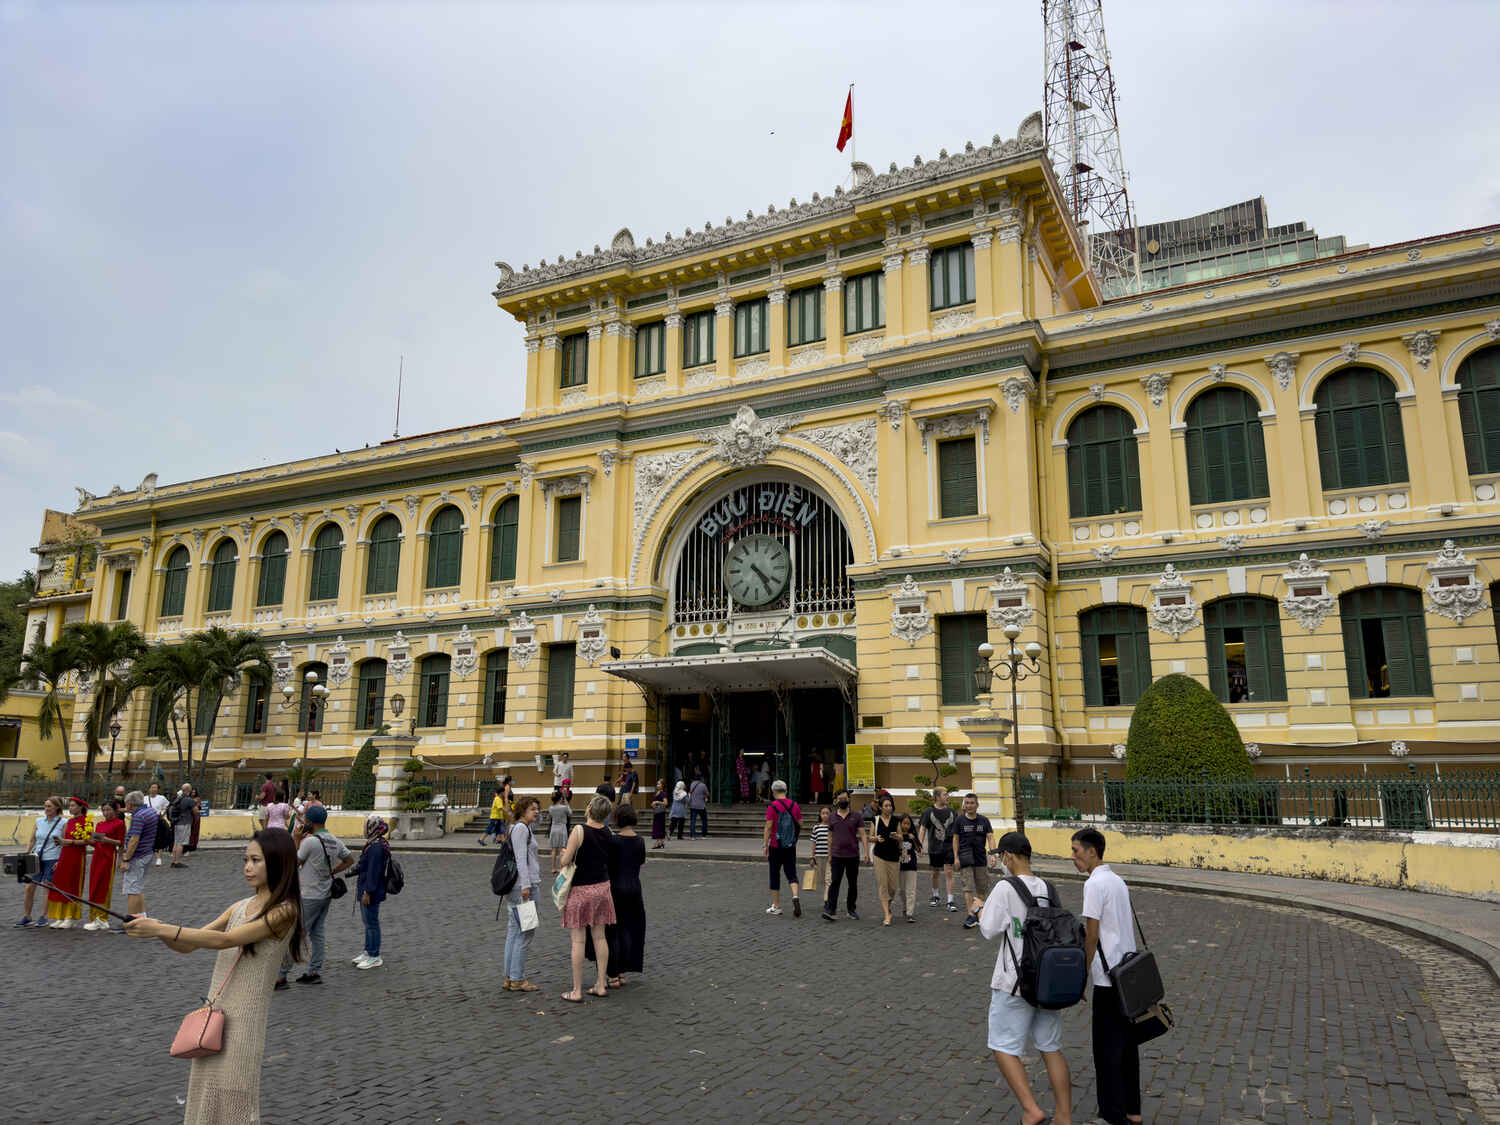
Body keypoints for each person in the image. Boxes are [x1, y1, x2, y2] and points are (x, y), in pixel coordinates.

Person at [125, 828, 303, 1125]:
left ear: (277, 862)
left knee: (234, 1098)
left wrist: (159, 929)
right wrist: (154, 927)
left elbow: (226, 940)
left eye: (256, 860)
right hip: (215, 1016)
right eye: (245, 859)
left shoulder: (285, 912)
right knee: (205, 1092)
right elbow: (187, 945)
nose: (247, 867)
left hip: (244, 1021)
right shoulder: (239, 906)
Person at [981, 831, 1074, 1125]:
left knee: (1003, 1046)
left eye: (1001, 856)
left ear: (1007, 856)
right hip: (1048, 981)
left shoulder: (1005, 888)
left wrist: (978, 907)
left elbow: (988, 929)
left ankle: (1031, 1109)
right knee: (1051, 1047)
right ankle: (1064, 1116)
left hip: (1015, 982)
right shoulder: (1049, 888)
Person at [1073, 827, 1142, 1125]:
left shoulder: (1094, 885)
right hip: (1128, 973)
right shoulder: (1118, 880)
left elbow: (1091, 935)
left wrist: (1082, 976)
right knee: (1127, 1047)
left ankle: (1112, 1116)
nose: (1073, 856)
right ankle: (1132, 1110)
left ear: (1091, 851)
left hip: (1107, 978)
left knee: (1106, 1051)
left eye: (1076, 850)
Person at [276, 804, 352, 988]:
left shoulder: (310, 842)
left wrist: (295, 838)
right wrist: (334, 870)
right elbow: (349, 859)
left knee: (297, 934)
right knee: (317, 933)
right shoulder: (334, 840)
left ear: (309, 821)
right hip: (325, 894)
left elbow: (294, 862)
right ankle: (314, 971)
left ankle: (281, 975)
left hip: (309, 894)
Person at [556, 794, 616, 1002]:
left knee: (578, 940)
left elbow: (565, 860)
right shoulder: (609, 832)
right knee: (600, 937)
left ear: (589, 809)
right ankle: (600, 983)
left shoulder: (579, 830)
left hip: (581, 890)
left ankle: (577, 990)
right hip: (602, 888)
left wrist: (563, 854)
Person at [586, 802, 646, 988]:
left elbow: (607, 863)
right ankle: (622, 971)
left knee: (611, 932)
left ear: (617, 819)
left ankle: (612, 973)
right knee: (630, 930)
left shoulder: (613, 842)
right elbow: (640, 861)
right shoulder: (640, 841)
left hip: (614, 889)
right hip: (634, 889)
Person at [504, 796, 542, 992]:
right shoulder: (520, 829)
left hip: (518, 888)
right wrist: (526, 887)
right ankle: (517, 978)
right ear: (522, 810)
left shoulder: (521, 827)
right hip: (524, 888)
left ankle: (510, 976)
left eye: (537, 808)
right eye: (532, 809)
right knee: (525, 933)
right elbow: (521, 859)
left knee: (513, 931)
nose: (536, 812)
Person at [16, 795, 65, 927]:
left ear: (57, 807)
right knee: (29, 887)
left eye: (49, 806)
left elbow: (64, 844)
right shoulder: (39, 821)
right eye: (45, 806)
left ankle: (44, 916)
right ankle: (27, 916)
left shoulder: (63, 823)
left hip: (53, 858)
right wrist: (27, 853)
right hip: (37, 857)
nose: (46, 808)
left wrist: (60, 860)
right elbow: (33, 839)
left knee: (48, 887)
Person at [821, 788, 868, 922]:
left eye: (845, 799)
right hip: (837, 855)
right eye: (840, 799)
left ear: (849, 799)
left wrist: (866, 852)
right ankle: (831, 910)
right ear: (836, 801)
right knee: (835, 882)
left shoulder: (856, 815)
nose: (843, 801)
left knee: (852, 884)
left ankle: (851, 909)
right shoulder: (832, 817)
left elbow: (863, 834)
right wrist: (829, 854)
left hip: (852, 855)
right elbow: (830, 837)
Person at [45, 797, 91, 929]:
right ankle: (60, 916)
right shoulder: (69, 821)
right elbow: (63, 840)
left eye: (73, 806)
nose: (70, 808)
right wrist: (59, 859)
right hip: (65, 855)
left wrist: (69, 842)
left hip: (77, 857)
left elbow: (88, 842)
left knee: (72, 885)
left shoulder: (87, 822)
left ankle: (70, 917)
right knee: (61, 885)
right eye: (69, 806)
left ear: (81, 807)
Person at [352, 815, 391, 970]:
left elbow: (373, 872)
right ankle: (368, 951)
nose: (364, 829)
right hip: (368, 888)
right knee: (368, 923)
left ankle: (374, 955)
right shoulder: (375, 843)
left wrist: (368, 892)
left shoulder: (375, 847)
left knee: (372, 923)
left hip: (371, 891)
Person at [761, 779, 802, 917]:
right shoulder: (794, 805)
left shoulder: (772, 807)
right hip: (790, 845)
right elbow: (800, 823)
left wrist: (765, 844)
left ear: (773, 792)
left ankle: (776, 905)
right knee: (791, 873)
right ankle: (795, 896)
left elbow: (768, 827)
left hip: (775, 846)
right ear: (786, 790)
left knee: (774, 874)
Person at [85, 799, 127, 931]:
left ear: (115, 810)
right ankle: (94, 917)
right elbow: (96, 843)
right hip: (97, 856)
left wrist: (106, 840)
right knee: (94, 885)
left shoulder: (119, 824)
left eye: (109, 809)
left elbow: (120, 842)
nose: (106, 812)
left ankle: (102, 918)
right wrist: (89, 839)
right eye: (104, 810)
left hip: (108, 857)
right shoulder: (100, 824)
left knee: (104, 887)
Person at [955, 792, 995, 929]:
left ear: (977, 805)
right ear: (964, 805)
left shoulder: (984, 820)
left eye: (972, 803)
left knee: (982, 887)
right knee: (968, 887)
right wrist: (955, 857)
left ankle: (980, 912)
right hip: (965, 858)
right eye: (967, 803)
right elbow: (955, 839)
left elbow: (990, 837)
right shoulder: (959, 820)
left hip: (980, 858)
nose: (969, 805)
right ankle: (971, 914)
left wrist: (993, 854)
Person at [919, 786, 959, 912]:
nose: (947, 796)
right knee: (935, 873)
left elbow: (957, 832)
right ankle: (935, 896)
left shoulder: (952, 812)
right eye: (944, 794)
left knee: (949, 872)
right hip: (934, 848)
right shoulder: (928, 812)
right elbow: (922, 829)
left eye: (947, 794)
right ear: (937, 797)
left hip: (948, 847)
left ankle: (950, 900)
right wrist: (919, 845)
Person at [119, 790, 158, 918]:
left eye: (127, 804)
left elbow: (134, 840)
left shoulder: (138, 817)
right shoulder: (150, 811)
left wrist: (126, 859)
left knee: (132, 889)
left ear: (130, 803)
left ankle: (131, 920)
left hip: (137, 856)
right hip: (147, 852)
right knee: (138, 888)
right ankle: (142, 916)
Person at [870, 794, 902, 926]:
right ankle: (887, 914)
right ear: (881, 808)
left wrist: (897, 837)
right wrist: (876, 839)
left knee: (893, 887)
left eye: (890, 806)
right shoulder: (875, 820)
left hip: (894, 857)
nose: (889, 808)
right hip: (879, 856)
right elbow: (870, 837)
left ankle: (888, 905)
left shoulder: (896, 820)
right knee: (883, 884)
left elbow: (901, 837)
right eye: (886, 806)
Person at [896, 813, 920, 923]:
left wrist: (914, 839)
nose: (906, 826)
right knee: (902, 890)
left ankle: (910, 913)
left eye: (908, 824)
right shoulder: (896, 836)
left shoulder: (912, 836)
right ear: (899, 824)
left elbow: (919, 850)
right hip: (899, 866)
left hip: (911, 865)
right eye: (904, 823)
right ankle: (905, 907)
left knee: (911, 890)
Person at [170, 782, 197, 868]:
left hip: (177, 822)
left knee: (176, 842)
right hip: (185, 822)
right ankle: (177, 862)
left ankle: (173, 861)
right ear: (189, 790)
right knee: (181, 843)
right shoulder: (189, 800)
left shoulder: (178, 798)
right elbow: (196, 811)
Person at [808, 804, 831, 897]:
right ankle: (827, 895)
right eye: (823, 813)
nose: (825, 815)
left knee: (828, 879)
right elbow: (814, 843)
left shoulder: (833, 827)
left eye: (827, 813)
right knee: (822, 879)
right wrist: (811, 857)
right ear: (820, 815)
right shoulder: (816, 828)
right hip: (819, 857)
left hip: (830, 857)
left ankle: (827, 900)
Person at [147, 781, 171, 866]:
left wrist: (163, 813)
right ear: (149, 789)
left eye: (155, 787)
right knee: (147, 840)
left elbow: (167, 806)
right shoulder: (144, 798)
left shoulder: (161, 798)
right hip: (147, 822)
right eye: (152, 787)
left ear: (158, 789)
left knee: (159, 839)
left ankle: (158, 858)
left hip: (157, 821)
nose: (154, 789)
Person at [548, 790, 571, 875]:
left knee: (554, 849)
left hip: (554, 828)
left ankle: (553, 868)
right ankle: (561, 867)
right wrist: (566, 802)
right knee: (562, 849)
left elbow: (549, 816)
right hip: (562, 828)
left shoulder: (550, 808)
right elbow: (570, 813)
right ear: (560, 798)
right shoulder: (564, 807)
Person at [479, 782, 508, 847]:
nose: (504, 794)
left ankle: (503, 841)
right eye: (504, 792)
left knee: (500, 830)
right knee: (489, 829)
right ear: (501, 793)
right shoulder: (497, 799)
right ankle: (481, 839)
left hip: (498, 818)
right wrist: (507, 811)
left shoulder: (499, 799)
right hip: (495, 818)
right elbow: (500, 808)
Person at [688, 772, 709, 838]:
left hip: (693, 805)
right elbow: (707, 794)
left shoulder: (692, 784)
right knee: (704, 820)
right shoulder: (703, 785)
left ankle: (692, 836)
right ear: (701, 778)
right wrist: (704, 796)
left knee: (693, 821)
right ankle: (703, 835)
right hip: (701, 806)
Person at [649, 779, 668, 849]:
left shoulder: (663, 793)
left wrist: (657, 802)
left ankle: (658, 843)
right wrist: (653, 804)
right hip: (656, 812)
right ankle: (661, 842)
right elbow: (654, 802)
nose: (657, 785)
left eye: (659, 784)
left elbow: (666, 803)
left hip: (660, 813)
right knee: (657, 827)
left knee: (659, 827)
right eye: (657, 784)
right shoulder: (657, 792)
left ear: (662, 785)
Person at [186, 783, 203, 855]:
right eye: (192, 792)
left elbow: (199, 807)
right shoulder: (187, 798)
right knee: (187, 833)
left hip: (195, 817)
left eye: (194, 792)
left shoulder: (198, 799)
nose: (193, 793)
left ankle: (190, 849)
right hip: (188, 816)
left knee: (193, 832)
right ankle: (185, 849)